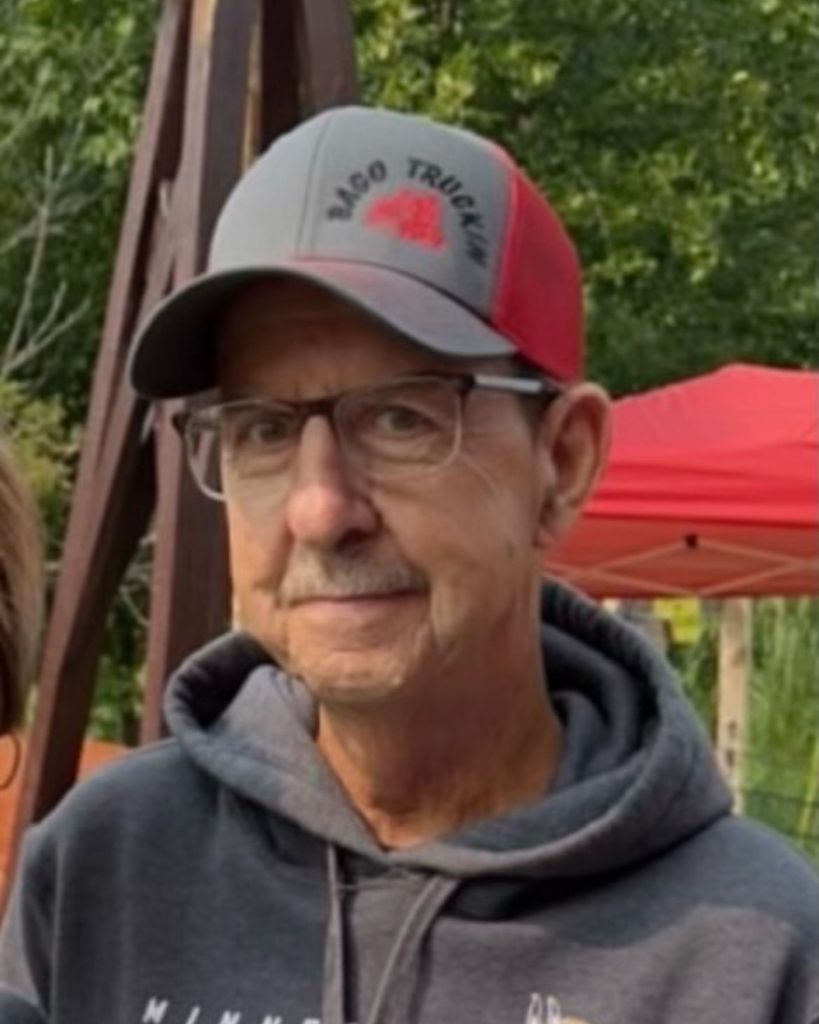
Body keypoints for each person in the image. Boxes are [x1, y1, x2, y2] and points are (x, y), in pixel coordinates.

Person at [0, 106, 816, 1024]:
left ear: (562, 461)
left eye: (400, 419)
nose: (320, 510)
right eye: (262, 431)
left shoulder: (757, 956)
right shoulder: (105, 869)